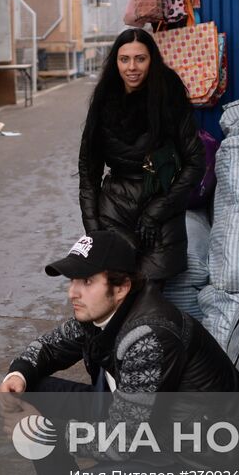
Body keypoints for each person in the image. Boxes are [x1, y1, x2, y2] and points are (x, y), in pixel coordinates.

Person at [0, 231, 239, 475]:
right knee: (34, 392)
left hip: (194, 461)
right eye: (72, 280)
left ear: (121, 286)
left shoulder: (151, 335)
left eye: (86, 281)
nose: (72, 292)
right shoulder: (105, 312)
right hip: (146, 429)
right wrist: (19, 373)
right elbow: (51, 346)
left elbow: (123, 442)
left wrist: (42, 431)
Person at [79, 28, 204, 288]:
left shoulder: (168, 95)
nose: (132, 67)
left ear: (152, 60)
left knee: (149, 292)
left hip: (161, 207)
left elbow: (195, 161)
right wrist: (94, 232)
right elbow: (88, 174)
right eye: (124, 59)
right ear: (115, 62)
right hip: (114, 209)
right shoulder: (104, 99)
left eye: (140, 59)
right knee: (112, 291)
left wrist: (157, 212)